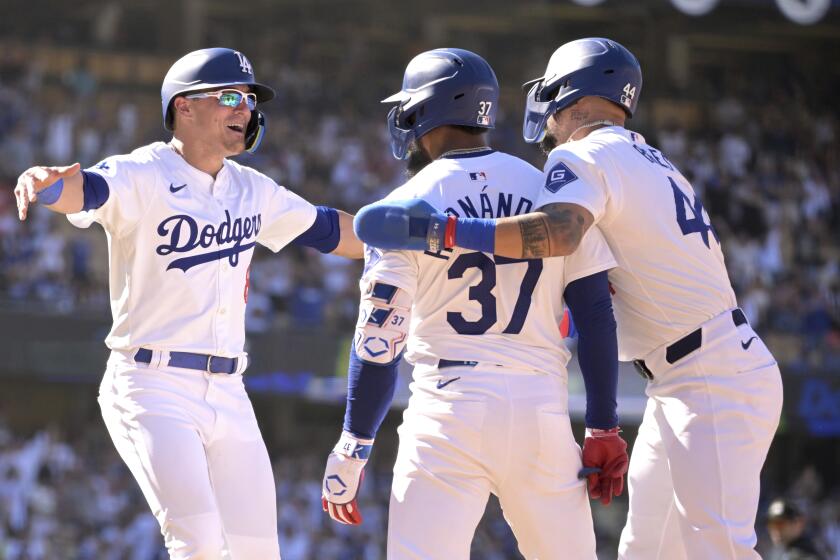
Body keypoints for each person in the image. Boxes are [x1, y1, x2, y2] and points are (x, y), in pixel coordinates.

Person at [353, 37, 784, 559]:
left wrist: (443, 231)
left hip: (709, 375)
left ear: (565, 94)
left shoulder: (581, 156)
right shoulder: (649, 156)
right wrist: (603, 421)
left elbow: (559, 234)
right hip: (691, 373)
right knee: (645, 550)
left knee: (721, 550)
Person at [13, 47, 362, 559]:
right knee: (197, 543)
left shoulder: (251, 188)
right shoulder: (144, 172)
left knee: (258, 551)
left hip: (229, 390)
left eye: (247, 99)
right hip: (152, 383)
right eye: (228, 96)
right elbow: (87, 191)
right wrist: (47, 184)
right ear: (184, 107)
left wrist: (421, 238)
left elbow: (335, 231)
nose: (243, 109)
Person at [320, 47, 627, 560]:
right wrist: (602, 425)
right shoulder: (550, 189)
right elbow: (596, 315)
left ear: (420, 113)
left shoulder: (403, 205)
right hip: (541, 408)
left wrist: (353, 445)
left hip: (447, 408)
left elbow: (379, 341)